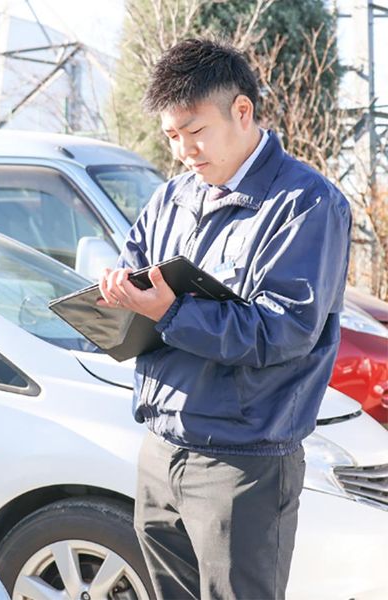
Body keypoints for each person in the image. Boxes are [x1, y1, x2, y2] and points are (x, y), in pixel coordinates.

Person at [98, 39, 351, 600]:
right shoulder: (172, 198)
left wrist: (173, 311)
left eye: (196, 131)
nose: (185, 150)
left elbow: (282, 330)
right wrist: (118, 296)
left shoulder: (306, 204)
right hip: (161, 446)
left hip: (243, 462)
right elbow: (134, 272)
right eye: (172, 137)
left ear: (242, 111)